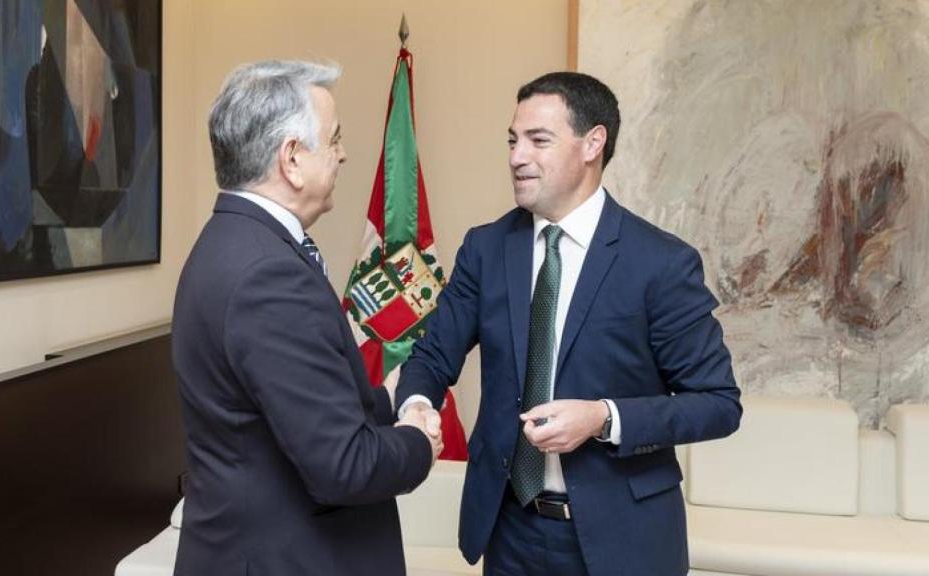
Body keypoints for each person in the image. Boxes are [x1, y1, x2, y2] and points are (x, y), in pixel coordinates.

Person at [395, 71, 742, 575]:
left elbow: (717, 404)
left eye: (539, 141)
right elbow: (432, 355)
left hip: (623, 539)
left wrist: (603, 418)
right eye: (513, 141)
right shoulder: (486, 249)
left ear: (592, 144)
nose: (516, 157)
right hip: (510, 530)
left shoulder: (661, 263)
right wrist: (415, 404)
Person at [171, 60, 442, 576]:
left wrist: (382, 400)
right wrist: (419, 441)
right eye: (334, 138)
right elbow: (344, 467)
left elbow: (278, 415)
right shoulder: (268, 275)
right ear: (292, 159)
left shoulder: (231, 242)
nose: (343, 153)